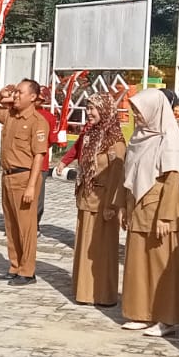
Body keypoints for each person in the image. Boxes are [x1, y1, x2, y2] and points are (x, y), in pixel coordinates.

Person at [118, 89, 179, 336]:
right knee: (137, 264)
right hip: (138, 208)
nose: (136, 115)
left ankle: (165, 318)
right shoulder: (139, 138)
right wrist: (124, 207)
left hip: (160, 211)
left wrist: (166, 216)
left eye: (139, 110)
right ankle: (141, 313)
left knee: (162, 266)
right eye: (135, 110)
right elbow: (128, 176)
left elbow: (174, 181)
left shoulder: (169, 140)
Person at [0, 80, 49, 285]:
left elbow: (39, 156)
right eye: (16, 92)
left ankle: (27, 271)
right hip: (8, 176)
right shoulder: (10, 115)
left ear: (33, 97)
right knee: (11, 225)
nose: (16, 96)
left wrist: (31, 186)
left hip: (24, 177)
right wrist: (0, 94)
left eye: (20, 93)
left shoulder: (37, 122)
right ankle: (15, 265)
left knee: (26, 227)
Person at [69, 92, 126, 306]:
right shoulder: (91, 136)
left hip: (103, 204)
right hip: (86, 199)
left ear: (105, 111)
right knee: (84, 247)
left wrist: (113, 205)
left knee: (102, 251)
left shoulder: (115, 142)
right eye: (87, 108)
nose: (89, 113)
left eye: (93, 108)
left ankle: (103, 294)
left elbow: (118, 176)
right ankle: (84, 291)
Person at [35, 86, 60, 224]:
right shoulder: (19, 114)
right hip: (24, 163)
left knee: (38, 196)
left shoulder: (49, 117)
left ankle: (34, 224)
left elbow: (51, 140)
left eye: (40, 98)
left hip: (41, 164)